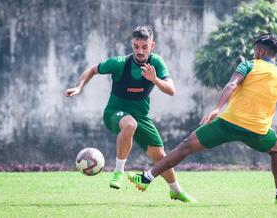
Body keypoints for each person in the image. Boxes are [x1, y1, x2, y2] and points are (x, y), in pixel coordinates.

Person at [128, 33, 277, 205]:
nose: (254, 53)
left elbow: (231, 84)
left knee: (185, 146)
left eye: (255, 50)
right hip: (258, 131)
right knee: (276, 150)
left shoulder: (249, 65)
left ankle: (146, 178)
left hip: (228, 123)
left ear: (262, 51)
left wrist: (216, 108)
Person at [65, 25, 196, 203]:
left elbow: (172, 90)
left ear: (152, 45)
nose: (140, 51)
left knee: (160, 157)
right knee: (129, 124)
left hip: (141, 117)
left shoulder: (156, 63)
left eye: (144, 47)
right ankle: (119, 171)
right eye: (136, 46)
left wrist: (154, 79)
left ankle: (176, 191)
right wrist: (79, 87)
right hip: (114, 113)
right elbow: (92, 70)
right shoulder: (119, 63)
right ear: (132, 44)